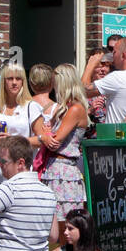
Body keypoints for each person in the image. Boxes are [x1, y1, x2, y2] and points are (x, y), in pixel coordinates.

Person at [33, 65, 90, 221]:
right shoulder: (64, 109)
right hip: (54, 169)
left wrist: (46, 134)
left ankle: (63, 247)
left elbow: (55, 141)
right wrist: (47, 133)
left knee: (64, 224)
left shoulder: (75, 109)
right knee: (50, 223)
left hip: (63, 171)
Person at [0, 63, 32, 191]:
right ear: (3, 81)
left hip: (20, 167)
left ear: (23, 82)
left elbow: (41, 139)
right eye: (10, 79)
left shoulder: (30, 106)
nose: (14, 83)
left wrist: (14, 140)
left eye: (18, 79)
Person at [82, 38, 126, 125]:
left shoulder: (117, 78)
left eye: (115, 52)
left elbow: (84, 91)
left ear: (123, 55)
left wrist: (90, 65)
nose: (112, 56)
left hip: (115, 135)